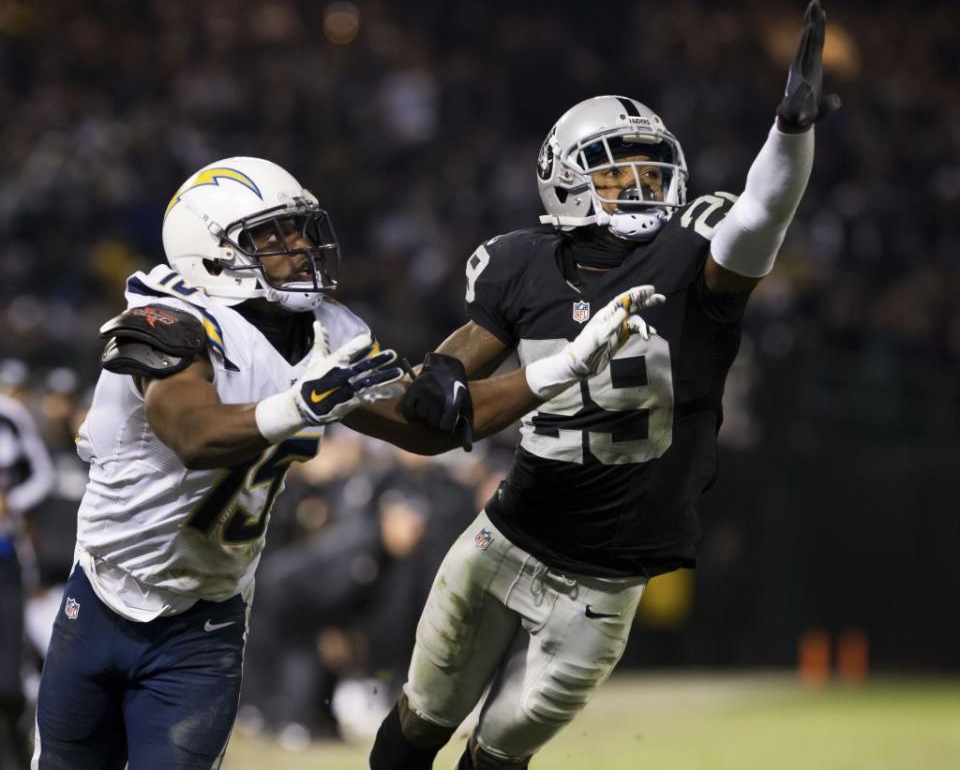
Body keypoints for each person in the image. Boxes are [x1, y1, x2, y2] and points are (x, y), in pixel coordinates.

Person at [31, 156, 661, 769]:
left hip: (206, 617)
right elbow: (192, 433)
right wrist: (303, 402)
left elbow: (426, 427)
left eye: (302, 229)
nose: (301, 246)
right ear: (214, 251)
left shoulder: (328, 333)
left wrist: (563, 366)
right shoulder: (168, 318)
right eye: (273, 235)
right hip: (102, 596)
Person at [369, 0, 841, 768]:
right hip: (506, 539)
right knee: (418, 725)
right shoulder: (520, 261)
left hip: (606, 580)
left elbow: (761, 216)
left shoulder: (695, 256)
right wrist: (442, 371)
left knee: (495, 757)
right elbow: (461, 358)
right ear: (565, 177)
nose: (640, 182)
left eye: (650, 167)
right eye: (616, 168)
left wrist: (790, 134)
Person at [0, 390, 53, 768]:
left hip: (5, 557)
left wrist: (11, 500)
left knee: (8, 685)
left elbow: (43, 474)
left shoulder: (10, 413)